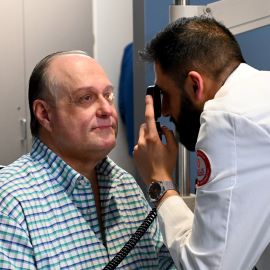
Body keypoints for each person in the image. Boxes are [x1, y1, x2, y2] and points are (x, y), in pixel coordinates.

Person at [0, 50, 176, 269]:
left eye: (108, 95)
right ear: (44, 114)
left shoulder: (126, 185)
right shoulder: (10, 201)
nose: (106, 109)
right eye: (86, 98)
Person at [133, 15, 270, 270]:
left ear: (194, 84)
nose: (163, 111)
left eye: (164, 95)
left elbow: (208, 267)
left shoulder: (226, 118)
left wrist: (159, 182)